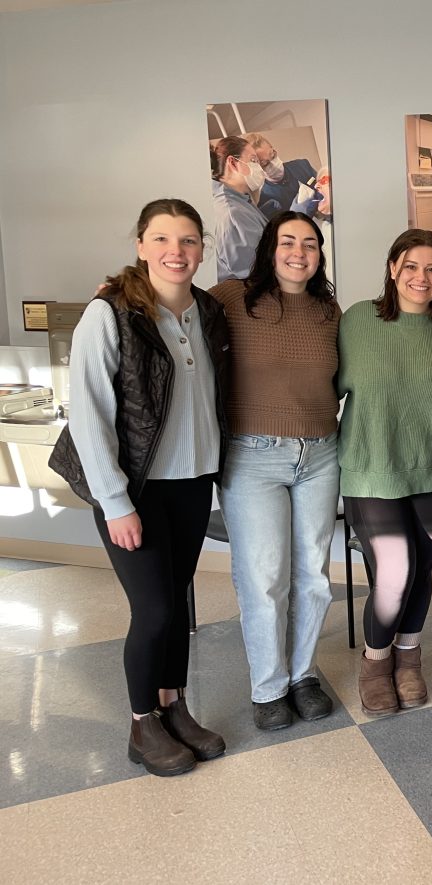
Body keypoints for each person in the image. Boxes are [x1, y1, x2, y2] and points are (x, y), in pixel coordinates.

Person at [48, 198, 230, 777]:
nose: (175, 252)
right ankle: (141, 723)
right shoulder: (110, 313)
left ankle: (174, 707)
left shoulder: (208, 312)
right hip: (134, 490)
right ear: (140, 244)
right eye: (162, 239)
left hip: (192, 482)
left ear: (202, 249)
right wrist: (116, 502)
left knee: (177, 603)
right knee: (152, 611)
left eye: (188, 241)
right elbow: (91, 416)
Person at [209, 211, 341, 731]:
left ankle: (303, 675)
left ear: (319, 255)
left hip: (321, 453)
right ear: (269, 248)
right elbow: (168, 313)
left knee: (314, 577)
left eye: (310, 244)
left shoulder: (328, 312)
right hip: (252, 455)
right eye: (288, 242)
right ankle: (268, 687)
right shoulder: (229, 299)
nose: (299, 252)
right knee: (263, 578)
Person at [337, 229, 432, 717]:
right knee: (394, 572)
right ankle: (376, 662)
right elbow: (326, 385)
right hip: (371, 468)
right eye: (411, 266)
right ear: (393, 268)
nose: (422, 277)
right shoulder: (356, 320)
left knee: (419, 571)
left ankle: (408, 658)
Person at [210, 136, 268, 283]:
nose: (259, 169)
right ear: (233, 163)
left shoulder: (241, 201)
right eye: (253, 161)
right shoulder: (233, 212)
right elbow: (254, 274)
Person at [244, 133, 317, 221]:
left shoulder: (302, 165)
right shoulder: (265, 197)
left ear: (273, 148)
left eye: (273, 155)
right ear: (256, 167)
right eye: (265, 164)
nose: (273, 163)